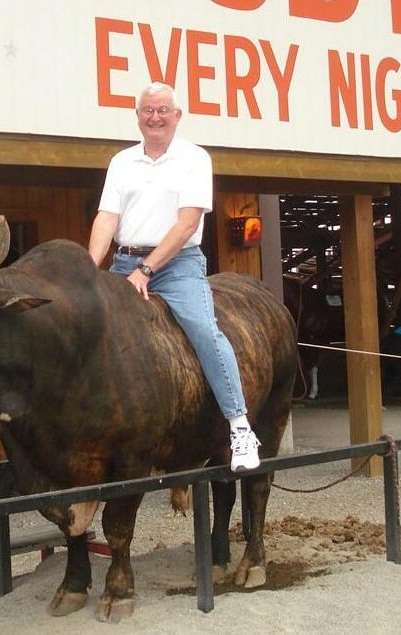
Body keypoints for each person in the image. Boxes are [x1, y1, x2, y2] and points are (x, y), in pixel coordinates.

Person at [88, 81, 260, 471]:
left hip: (178, 265)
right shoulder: (121, 162)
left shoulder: (195, 159)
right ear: (138, 117)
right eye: (148, 110)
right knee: (87, 327)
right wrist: (89, 268)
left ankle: (239, 426)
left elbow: (187, 224)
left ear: (177, 116)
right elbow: (107, 218)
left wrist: (147, 270)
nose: (155, 117)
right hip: (123, 261)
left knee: (203, 329)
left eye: (163, 110)